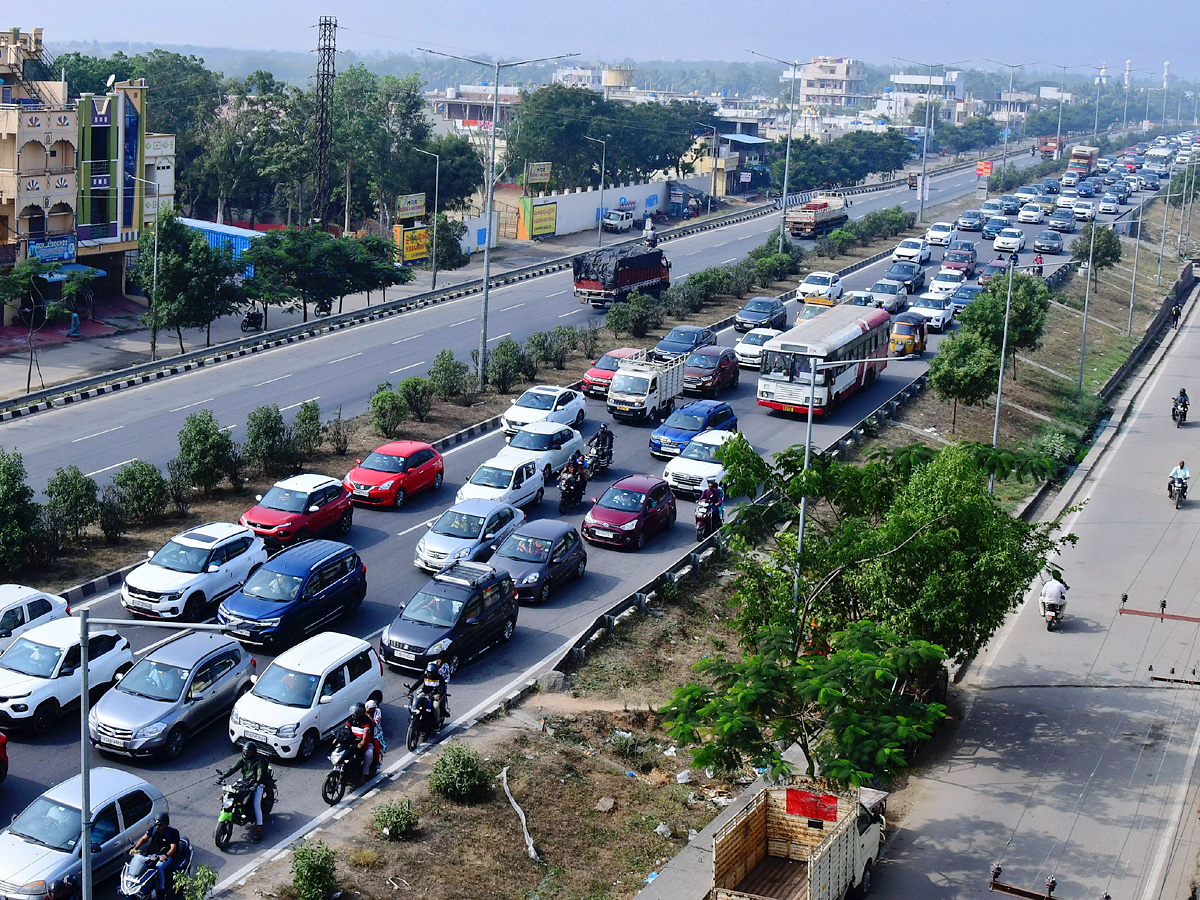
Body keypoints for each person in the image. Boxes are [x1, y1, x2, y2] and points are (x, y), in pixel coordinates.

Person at [219, 742, 270, 843]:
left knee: (256, 805)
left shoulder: (258, 760)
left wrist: (256, 784)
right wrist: (222, 776)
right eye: (244, 752)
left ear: (252, 752)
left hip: (257, 784)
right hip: (244, 780)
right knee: (230, 792)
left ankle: (259, 830)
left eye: (248, 752)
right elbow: (233, 768)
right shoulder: (242, 759)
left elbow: (260, 774)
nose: (245, 754)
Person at [130, 813, 180, 898]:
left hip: (164, 857)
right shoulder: (153, 830)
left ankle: (161, 890)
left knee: (158, 867)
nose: (157, 827)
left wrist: (166, 856)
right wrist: (135, 848)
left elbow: (173, 848)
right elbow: (143, 838)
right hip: (152, 855)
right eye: (156, 825)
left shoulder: (171, 833)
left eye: (159, 825)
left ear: (165, 825)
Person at [408, 660, 449, 724]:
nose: (430, 674)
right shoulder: (424, 676)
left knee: (435, 706)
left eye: (432, 673)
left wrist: (439, 695)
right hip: (425, 693)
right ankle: (416, 716)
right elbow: (417, 684)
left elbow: (442, 689)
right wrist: (410, 690)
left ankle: (437, 722)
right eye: (429, 672)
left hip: (435, 695)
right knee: (417, 699)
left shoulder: (440, 678)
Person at [346, 703, 376, 781]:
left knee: (368, 755)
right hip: (352, 742)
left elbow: (366, 732)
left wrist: (362, 742)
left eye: (357, 712)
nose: (355, 714)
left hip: (365, 743)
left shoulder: (366, 720)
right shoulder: (351, 719)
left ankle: (364, 774)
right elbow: (346, 729)